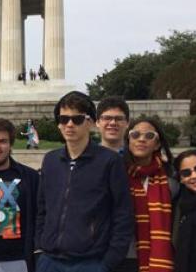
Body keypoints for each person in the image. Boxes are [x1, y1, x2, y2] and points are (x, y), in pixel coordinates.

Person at [36, 91, 133, 272]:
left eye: (77, 119)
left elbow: (122, 214)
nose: (69, 125)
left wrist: (109, 261)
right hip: (49, 261)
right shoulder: (50, 160)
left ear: (90, 122)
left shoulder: (109, 162)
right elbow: (42, 208)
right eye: (64, 119)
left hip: (91, 262)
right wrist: (40, 244)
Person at [0, 118, 39, 272]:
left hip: (18, 261)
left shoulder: (31, 177)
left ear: (10, 145)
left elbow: (40, 216)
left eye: (3, 141)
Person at [118, 117, 177, 272]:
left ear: (157, 144)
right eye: (135, 135)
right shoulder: (116, 173)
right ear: (128, 140)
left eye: (149, 136)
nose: (141, 139)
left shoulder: (172, 180)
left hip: (159, 257)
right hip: (122, 256)